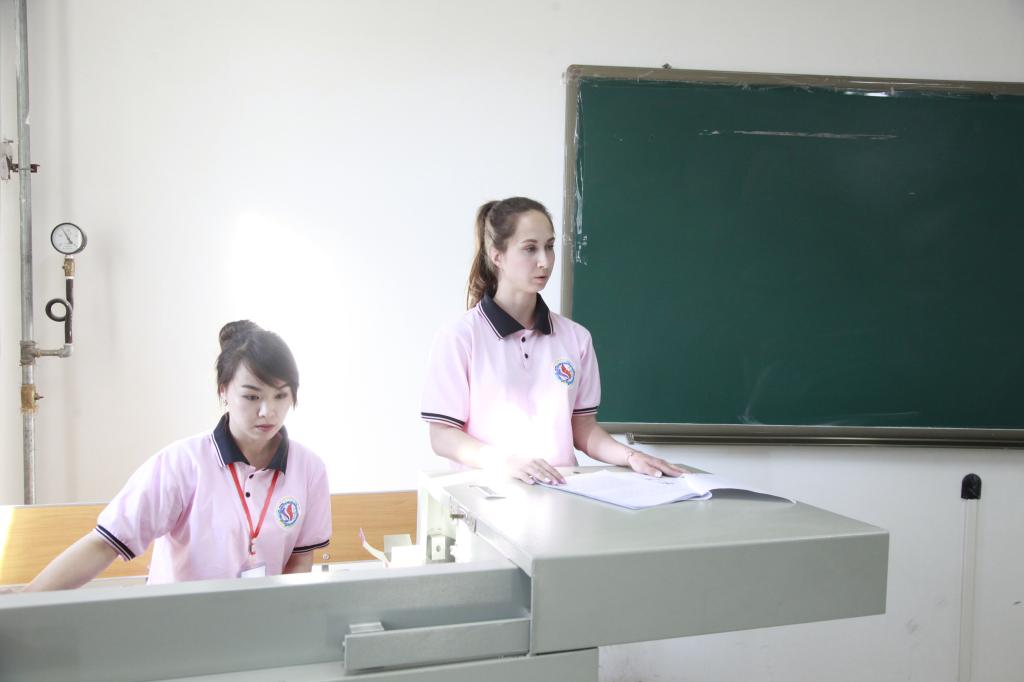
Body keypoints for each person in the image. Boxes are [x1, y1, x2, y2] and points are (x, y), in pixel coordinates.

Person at [23, 321, 331, 591]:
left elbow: (300, 562)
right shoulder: (183, 463)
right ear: (224, 390)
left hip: (260, 625)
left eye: (281, 395)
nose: (268, 411)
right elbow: (105, 542)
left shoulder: (308, 469)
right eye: (252, 396)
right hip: (177, 623)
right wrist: (29, 598)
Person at [421, 197, 683, 484]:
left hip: (562, 492)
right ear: (497, 255)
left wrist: (630, 456)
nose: (544, 261)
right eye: (530, 248)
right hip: (488, 494)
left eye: (549, 246)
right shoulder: (460, 337)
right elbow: (442, 436)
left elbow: (583, 429)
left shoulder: (576, 337)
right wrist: (505, 462)